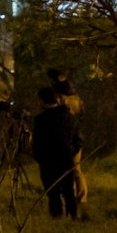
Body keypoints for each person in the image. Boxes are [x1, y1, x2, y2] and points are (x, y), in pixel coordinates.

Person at [31, 69, 85, 220]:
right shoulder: (69, 117)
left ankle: (57, 216)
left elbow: (37, 141)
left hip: (48, 161)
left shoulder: (41, 120)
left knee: (53, 192)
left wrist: (38, 157)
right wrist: (72, 151)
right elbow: (78, 138)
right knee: (68, 190)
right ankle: (73, 215)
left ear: (42, 101)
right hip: (66, 158)